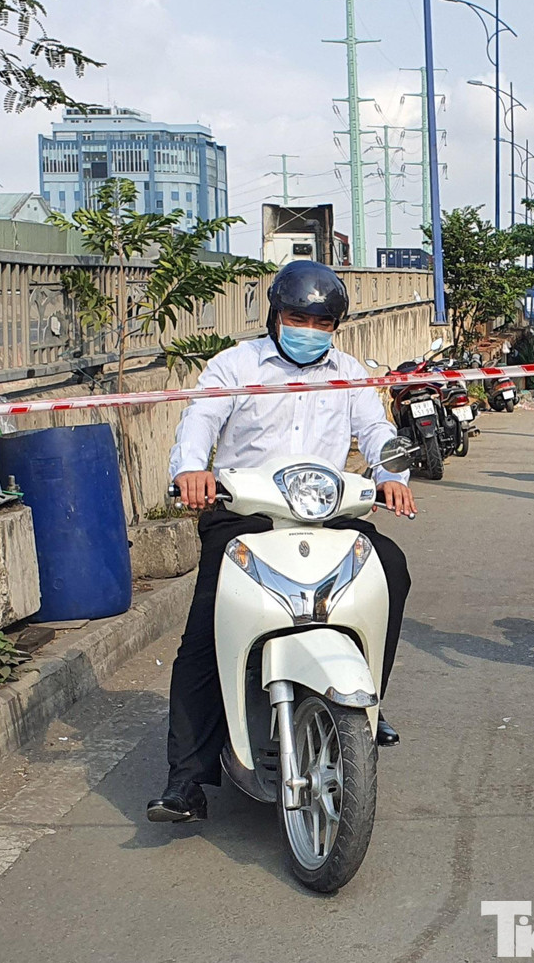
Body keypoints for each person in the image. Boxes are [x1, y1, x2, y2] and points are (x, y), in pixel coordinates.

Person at [150, 260, 417, 824]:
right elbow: (199, 422)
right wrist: (192, 471)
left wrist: (392, 475)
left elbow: (376, 431)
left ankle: (371, 701)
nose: (308, 329)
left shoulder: (350, 373)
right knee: (205, 629)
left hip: (325, 513)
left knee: (391, 568)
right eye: (298, 317)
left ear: (335, 326)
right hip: (244, 514)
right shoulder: (235, 365)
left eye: (321, 322)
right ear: (275, 314)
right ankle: (186, 780)